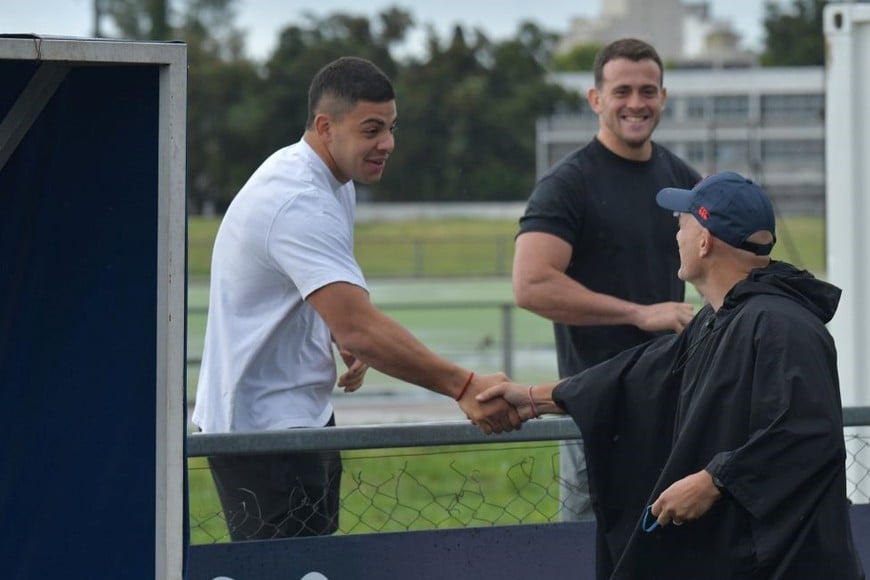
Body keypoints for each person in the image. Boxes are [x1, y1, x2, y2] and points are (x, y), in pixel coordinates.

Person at [191, 56, 520, 541]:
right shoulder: (297, 197)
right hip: (264, 433)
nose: (387, 143)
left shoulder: (331, 179)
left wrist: (334, 330)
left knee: (317, 566)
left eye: (391, 127)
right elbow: (360, 328)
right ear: (326, 127)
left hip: (299, 418)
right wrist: (463, 385)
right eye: (371, 129)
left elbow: (320, 300)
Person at [481, 171, 865, 579]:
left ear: (705, 241)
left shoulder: (783, 325)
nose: (676, 236)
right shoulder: (720, 320)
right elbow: (638, 377)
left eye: (682, 223)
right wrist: (532, 398)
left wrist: (713, 480)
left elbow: (805, 434)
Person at [512, 37, 700, 522]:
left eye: (647, 90)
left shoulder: (681, 179)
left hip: (673, 406)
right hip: (596, 411)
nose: (636, 103)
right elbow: (531, 284)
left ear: (663, 97)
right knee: (587, 548)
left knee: (672, 545)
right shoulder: (568, 184)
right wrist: (640, 313)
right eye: (622, 91)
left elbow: (723, 266)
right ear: (596, 99)